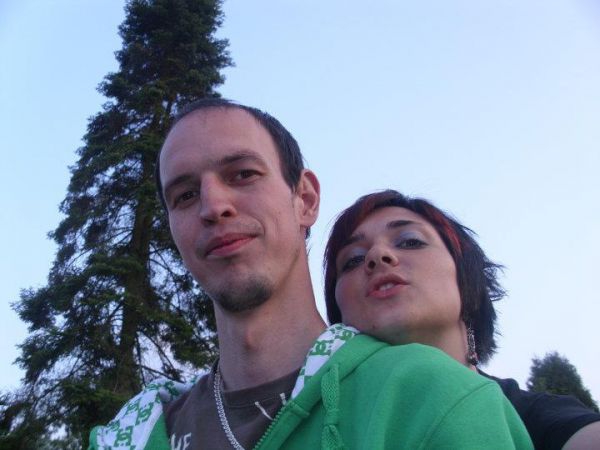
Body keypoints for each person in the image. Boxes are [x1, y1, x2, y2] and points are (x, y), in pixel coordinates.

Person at [89, 100, 532, 449]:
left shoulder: (431, 400)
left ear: (304, 199)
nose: (213, 206)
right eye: (185, 196)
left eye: (243, 174)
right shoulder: (134, 434)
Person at [323, 189, 600, 450]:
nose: (376, 255)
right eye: (353, 260)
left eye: (410, 241)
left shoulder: (540, 418)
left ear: (467, 277)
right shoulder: (315, 422)